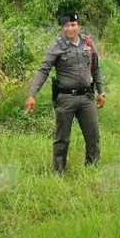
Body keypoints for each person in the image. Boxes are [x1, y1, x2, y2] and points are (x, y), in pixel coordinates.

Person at [25, 13, 106, 174]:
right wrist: (32, 94)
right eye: (67, 25)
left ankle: (92, 168)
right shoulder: (56, 47)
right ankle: (59, 171)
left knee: (93, 136)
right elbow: (43, 70)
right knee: (62, 139)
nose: (70, 28)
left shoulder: (88, 44)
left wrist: (101, 91)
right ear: (62, 28)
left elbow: (96, 69)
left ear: (79, 26)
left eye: (73, 24)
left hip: (87, 98)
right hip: (66, 99)